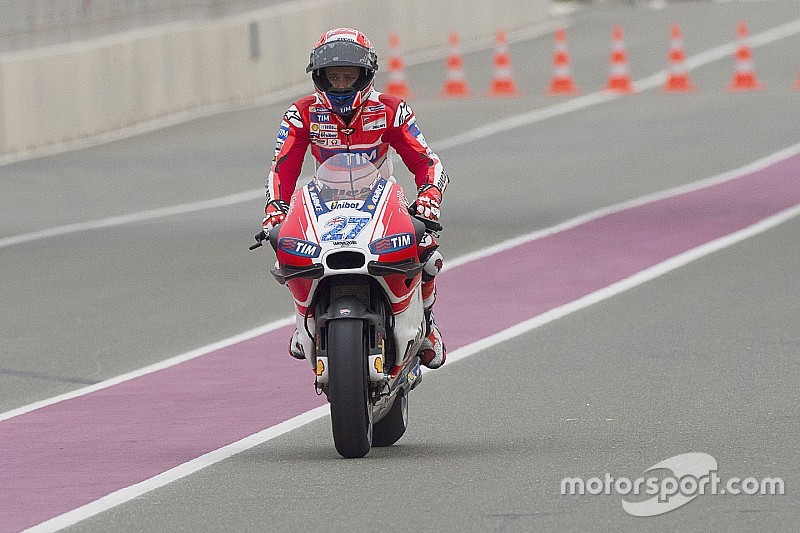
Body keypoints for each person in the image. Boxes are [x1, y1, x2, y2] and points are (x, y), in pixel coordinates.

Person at [256, 28, 449, 369]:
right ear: (320, 77)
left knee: (427, 249)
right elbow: (282, 167)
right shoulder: (300, 113)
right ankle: (304, 322)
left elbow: (427, 161)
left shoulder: (393, 109)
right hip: (323, 202)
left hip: (381, 199)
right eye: (334, 77)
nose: (341, 84)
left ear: (365, 76)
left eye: (349, 76)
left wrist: (429, 198)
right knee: (286, 250)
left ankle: (428, 325)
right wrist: (275, 209)